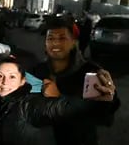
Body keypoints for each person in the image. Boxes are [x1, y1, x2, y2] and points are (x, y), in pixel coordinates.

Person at [0, 55, 119, 145]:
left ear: (22, 81)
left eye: (12, 77)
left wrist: (99, 100)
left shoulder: (29, 105)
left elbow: (63, 108)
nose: (5, 82)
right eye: (0, 76)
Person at [31, 15, 121, 145]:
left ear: (74, 42)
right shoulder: (37, 71)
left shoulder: (91, 73)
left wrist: (110, 100)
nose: (55, 43)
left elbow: (104, 119)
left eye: (62, 38)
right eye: (50, 38)